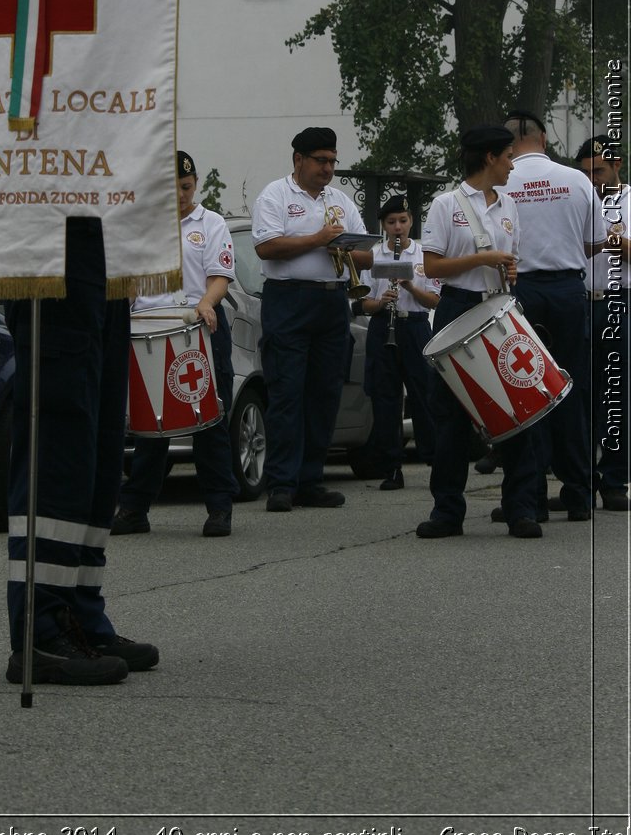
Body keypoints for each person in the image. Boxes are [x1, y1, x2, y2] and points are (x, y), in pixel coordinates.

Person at [5, 218, 159, 686]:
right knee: (60, 458)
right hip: (50, 249)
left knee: (99, 455)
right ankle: (41, 631)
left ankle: (82, 615)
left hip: (104, 253)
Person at [417, 124, 542, 539]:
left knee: (517, 407)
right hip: (458, 306)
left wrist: (507, 267)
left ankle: (520, 507)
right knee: (450, 414)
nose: (511, 164)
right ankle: (447, 511)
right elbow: (433, 267)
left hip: (499, 304)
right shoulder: (445, 204)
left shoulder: (508, 205)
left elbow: (512, 259)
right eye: (507, 156)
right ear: (489, 157)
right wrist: (481, 258)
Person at [112, 151, 240, 537]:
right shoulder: (143, 227)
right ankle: (135, 509)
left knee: (209, 420)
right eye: (172, 189)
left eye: (186, 187)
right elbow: (129, 281)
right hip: (150, 327)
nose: (181, 195)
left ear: (195, 184)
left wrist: (206, 302)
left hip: (197, 327)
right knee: (151, 425)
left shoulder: (212, 223)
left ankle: (219, 507)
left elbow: (220, 275)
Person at [252, 127, 372, 512]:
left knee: (324, 393)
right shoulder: (275, 195)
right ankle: (282, 483)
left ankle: (310, 480)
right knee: (287, 392)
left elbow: (367, 255)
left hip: (332, 302)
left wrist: (348, 247)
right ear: (298, 160)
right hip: (289, 299)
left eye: (333, 161)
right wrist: (320, 239)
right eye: (321, 160)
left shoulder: (340, 200)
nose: (328, 168)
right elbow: (267, 247)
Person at [496, 110, 606, 523]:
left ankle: (530, 497)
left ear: (508, 144)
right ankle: (579, 494)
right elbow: (595, 242)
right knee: (571, 392)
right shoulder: (576, 180)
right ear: (543, 138)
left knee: (526, 393)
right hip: (566, 291)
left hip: (520, 290)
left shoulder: (502, 182)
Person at [357, 195, 440, 489]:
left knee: (424, 395)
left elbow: (433, 299)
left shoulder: (423, 255)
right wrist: (381, 302)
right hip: (384, 327)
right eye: (391, 223)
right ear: (383, 225)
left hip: (415, 326)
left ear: (411, 222)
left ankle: (434, 460)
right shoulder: (374, 256)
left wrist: (410, 287)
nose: (397, 228)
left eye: (402, 221)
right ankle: (391, 466)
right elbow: (363, 302)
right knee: (385, 398)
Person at [573, 134, 629, 511]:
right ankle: (577, 482)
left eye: (599, 171)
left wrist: (609, 238)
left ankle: (612, 480)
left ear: (617, 165)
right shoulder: (577, 201)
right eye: (586, 173)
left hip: (616, 302)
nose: (593, 180)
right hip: (579, 302)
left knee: (614, 395)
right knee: (577, 396)